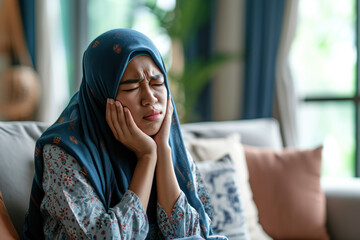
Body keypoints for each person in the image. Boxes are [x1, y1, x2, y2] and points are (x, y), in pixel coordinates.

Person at [23, 28, 226, 239]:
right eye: (131, 88)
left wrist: (163, 151)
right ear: (101, 95)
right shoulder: (64, 151)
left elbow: (191, 235)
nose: (150, 98)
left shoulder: (171, 142)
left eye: (157, 83)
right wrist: (147, 157)